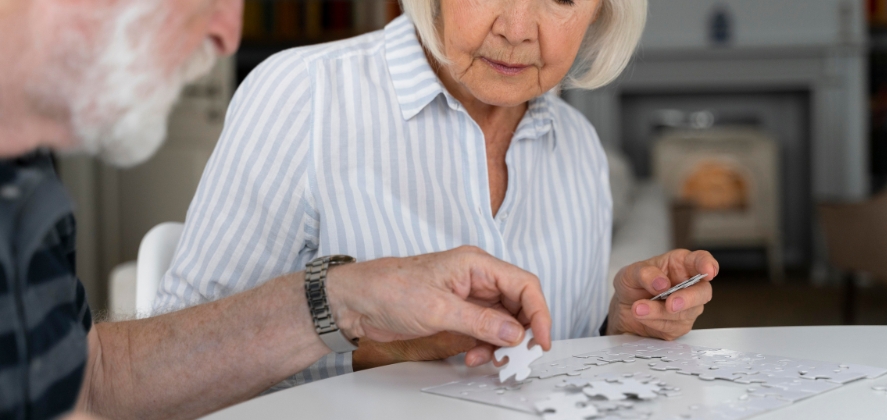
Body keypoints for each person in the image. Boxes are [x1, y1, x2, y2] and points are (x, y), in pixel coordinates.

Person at [0, 1, 554, 419]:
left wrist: (350, 297)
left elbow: (94, 380)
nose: (227, 34)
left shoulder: (25, 181)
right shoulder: (303, 90)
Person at [157, 0, 719, 389]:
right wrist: (379, 353)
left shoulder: (579, 148)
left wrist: (615, 329)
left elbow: (549, 366)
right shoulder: (304, 97)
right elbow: (172, 369)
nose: (517, 29)